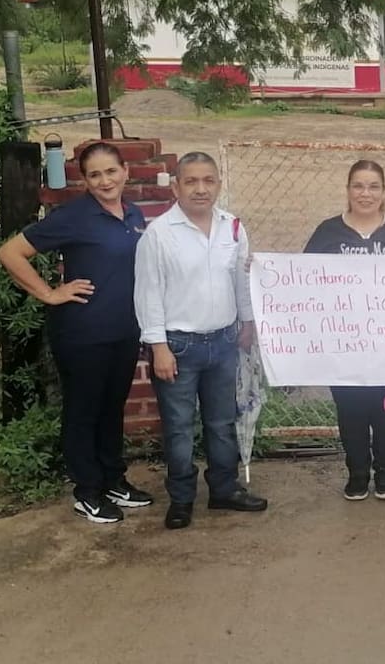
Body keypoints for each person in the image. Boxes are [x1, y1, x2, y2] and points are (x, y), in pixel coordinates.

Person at [0, 142, 153, 524]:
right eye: (95, 174)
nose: (105, 180)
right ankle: (87, 490)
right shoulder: (74, 216)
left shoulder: (133, 214)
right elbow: (9, 253)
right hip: (82, 332)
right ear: (84, 180)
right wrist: (50, 293)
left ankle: (113, 480)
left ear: (125, 173)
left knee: (111, 408)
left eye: (111, 171)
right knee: (84, 411)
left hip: (123, 330)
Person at [134, 151, 267, 530]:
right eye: (191, 181)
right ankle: (181, 499)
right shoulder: (159, 234)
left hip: (224, 342)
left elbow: (241, 280)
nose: (200, 189)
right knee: (178, 428)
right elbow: (148, 294)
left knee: (222, 422)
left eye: (208, 180)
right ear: (176, 186)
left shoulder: (234, 228)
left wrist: (247, 321)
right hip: (178, 346)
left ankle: (224, 490)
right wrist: (158, 346)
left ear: (218, 184)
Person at [304, 160, 385, 501]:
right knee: (351, 411)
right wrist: (263, 271)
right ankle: (356, 472)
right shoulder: (328, 231)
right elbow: (301, 278)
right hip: (344, 343)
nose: (365, 193)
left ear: (384, 192)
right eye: (358, 185)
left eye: (373, 186)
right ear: (348, 190)